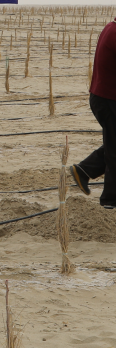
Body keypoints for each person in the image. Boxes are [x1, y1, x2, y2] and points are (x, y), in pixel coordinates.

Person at [71, 17, 116, 207]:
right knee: (114, 150)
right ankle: (110, 200)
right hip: (108, 100)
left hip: (103, 97)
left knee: (113, 143)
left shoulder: (111, 27)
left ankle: (84, 170)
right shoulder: (114, 34)